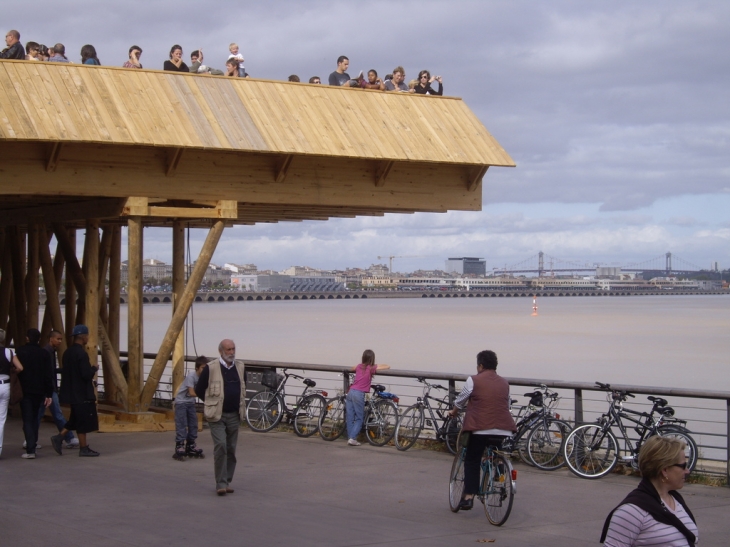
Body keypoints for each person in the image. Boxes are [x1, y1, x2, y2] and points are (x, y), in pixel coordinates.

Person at [447, 350, 516, 510]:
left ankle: (469, 495)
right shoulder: (505, 383)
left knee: (472, 459)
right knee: (496, 453)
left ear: (480, 366)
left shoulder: (474, 380)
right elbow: (506, 403)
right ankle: (500, 477)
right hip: (503, 428)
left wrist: (453, 412)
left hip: (480, 428)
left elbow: (461, 401)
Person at [601, 435, 698, 546]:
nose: (687, 471)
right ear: (665, 470)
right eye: (683, 466)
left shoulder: (676, 500)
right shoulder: (632, 511)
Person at [194, 339, 246, 496]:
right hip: (217, 415)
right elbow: (199, 389)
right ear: (221, 351)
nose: (231, 352)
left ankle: (227, 480)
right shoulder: (211, 368)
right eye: (228, 349)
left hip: (234, 415)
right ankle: (220, 483)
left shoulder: (240, 366)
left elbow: (244, 386)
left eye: (233, 349)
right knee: (221, 445)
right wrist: (211, 403)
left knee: (231, 449)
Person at [51, 324, 100, 457]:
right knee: (83, 420)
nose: (87, 338)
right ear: (83, 337)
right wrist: (94, 369)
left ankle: (59, 438)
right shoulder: (81, 354)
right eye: (87, 336)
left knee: (75, 418)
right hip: (82, 392)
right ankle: (83, 448)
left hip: (70, 391)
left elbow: (68, 371)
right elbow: (85, 375)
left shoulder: (68, 352)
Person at [17, 329, 53, 459]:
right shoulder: (43, 354)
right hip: (39, 391)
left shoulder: (20, 351)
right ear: (39, 339)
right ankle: (33, 444)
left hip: (24, 390)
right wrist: (49, 393)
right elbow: (48, 375)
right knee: (34, 418)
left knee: (27, 419)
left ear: (27, 338)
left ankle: (30, 448)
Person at [39, 329, 78, 448]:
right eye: (58, 339)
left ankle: (31, 439)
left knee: (42, 414)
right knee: (56, 413)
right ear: (51, 339)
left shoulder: (50, 351)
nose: (60, 341)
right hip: (49, 388)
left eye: (61, 339)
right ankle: (69, 438)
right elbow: (47, 372)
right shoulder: (47, 352)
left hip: (48, 387)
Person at [345, 350, 390, 446]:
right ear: (372, 359)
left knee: (350, 417)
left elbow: (351, 368)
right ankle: (352, 438)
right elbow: (387, 366)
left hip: (351, 392)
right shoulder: (371, 368)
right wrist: (376, 365)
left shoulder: (358, 366)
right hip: (359, 394)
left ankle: (350, 437)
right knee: (359, 418)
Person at [173, 356, 208, 460]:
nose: (204, 370)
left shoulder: (204, 377)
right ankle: (180, 445)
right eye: (202, 368)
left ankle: (191, 444)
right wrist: (206, 396)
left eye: (206, 368)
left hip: (190, 403)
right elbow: (192, 392)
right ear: (197, 368)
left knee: (193, 424)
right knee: (182, 424)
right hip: (181, 402)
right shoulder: (191, 376)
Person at [0, 328, 24, 458]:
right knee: (1, 418)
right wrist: (13, 372)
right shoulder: (9, 352)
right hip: (5, 385)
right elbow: (20, 367)